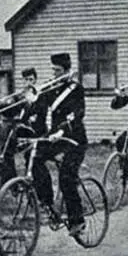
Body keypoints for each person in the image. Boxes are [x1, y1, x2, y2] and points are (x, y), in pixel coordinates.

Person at [31, 53, 87, 236]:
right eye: (53, 70)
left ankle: (77, 220)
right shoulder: (51, 89)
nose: (54, 73)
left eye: (58, 70)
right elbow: (37, 106)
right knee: (34, 157)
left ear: (67, 70)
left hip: (74, 139)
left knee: (66, 177)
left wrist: (62, 131)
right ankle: (47, 203)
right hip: (55, 137)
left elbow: (77, 114)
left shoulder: (76, 89)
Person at [2, 67, 47, 181]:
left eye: (31, 79)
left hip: (37, 132)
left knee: (31, 158)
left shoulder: (41, 96)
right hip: (23, 131)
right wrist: (4, 105)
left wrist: (32, 101)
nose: (28, 83)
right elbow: (11, 112)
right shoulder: (20, 96)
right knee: (6, 149)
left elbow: (41, 113)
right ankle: (11, 182)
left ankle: (32, 182)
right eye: (26, 80)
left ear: (35, 80)